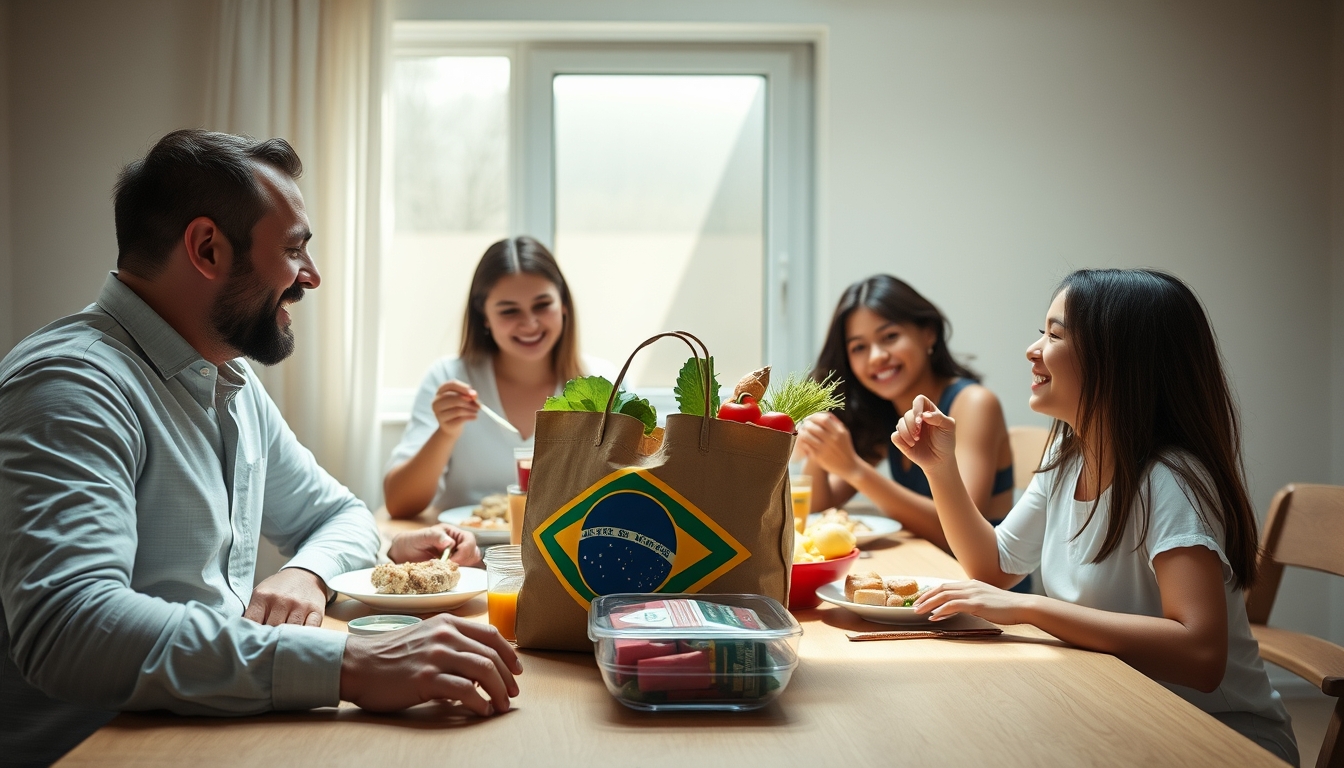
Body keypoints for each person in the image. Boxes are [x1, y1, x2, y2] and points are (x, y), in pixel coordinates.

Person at [0, 130, 520, 768]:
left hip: (219, 730)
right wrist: (347, 663)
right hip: (99, 748)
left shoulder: (230, 381)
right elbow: (70, 627)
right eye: (295, 248)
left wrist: (306, 571)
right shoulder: (71, 385)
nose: (312, 276)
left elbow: (342, 515)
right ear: (207, 248)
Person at [894, 269, 1297, 765]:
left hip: (1218, 737)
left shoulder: (1170, 479)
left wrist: (1027, 608)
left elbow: (1201, 655)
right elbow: (994, 568)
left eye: (1055, 334)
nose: (1033, 349)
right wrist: (940, 470)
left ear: (1120, 362)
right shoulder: (1070, 451)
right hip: (1121, 711)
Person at [383, 236, 614, 518]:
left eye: (542, 305)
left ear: (564, 305)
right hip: (465, 555)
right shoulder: (449, 378)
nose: (529, 323)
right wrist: (446, 433)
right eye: (509, 311)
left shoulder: (604, 385)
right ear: (484, 317)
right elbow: (399, 504)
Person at [796, 275, 1015, 552]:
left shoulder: (974, 403)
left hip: (988, 588)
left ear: (928, 333)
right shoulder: (887, 413)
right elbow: (820, 510)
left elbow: (962, 532)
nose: (876, 356)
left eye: (890, 337)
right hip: (933, 575)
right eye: (859, 347)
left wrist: (854, 469)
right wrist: (819, 444)